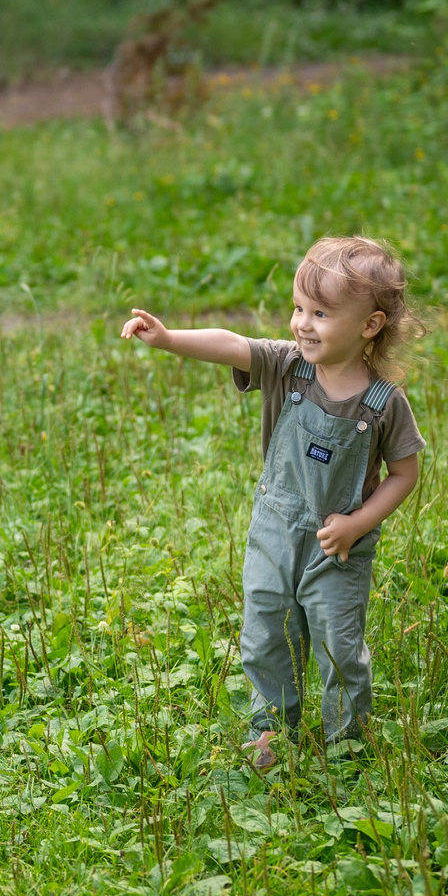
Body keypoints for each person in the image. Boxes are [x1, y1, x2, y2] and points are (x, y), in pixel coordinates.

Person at [119, 236, 424, 767]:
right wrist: (168, 339)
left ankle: (346, 743)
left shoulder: (383, 402)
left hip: (338, 548)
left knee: (338, 645)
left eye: (321, 313)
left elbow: (404, 474)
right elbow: (231, 343)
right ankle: (270, 734)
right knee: (265, 631)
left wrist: (358, 524)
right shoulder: (288, 366)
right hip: (276, 531)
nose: (302, 323)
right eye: (299, 308)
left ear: (369, 326)